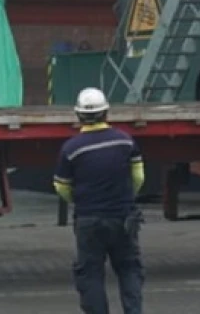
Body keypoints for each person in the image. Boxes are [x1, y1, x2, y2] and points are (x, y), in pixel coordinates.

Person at [54, 87, 145, 314]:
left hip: (88, 219)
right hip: (122, 217)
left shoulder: (71, 148)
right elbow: (139, 177)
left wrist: (81, 201)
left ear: (79, 115)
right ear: (106, 113)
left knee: (91, 275)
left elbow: (61, 186)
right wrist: (125, 198)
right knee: (129, 269)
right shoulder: (126, 141)